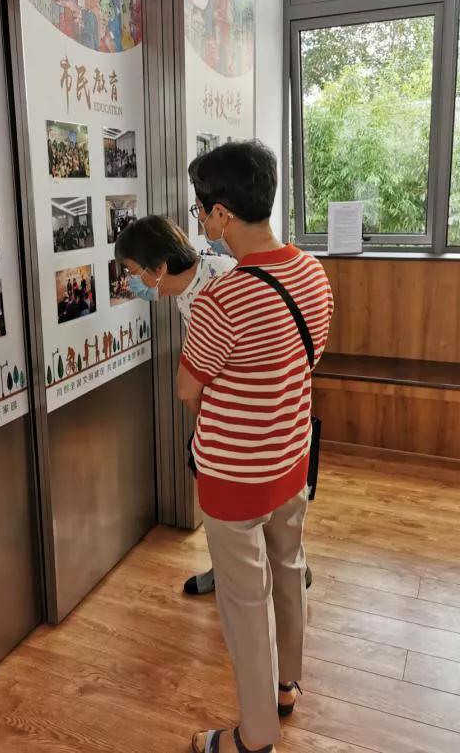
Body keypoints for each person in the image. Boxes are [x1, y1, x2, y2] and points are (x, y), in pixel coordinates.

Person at [177, 140, 333, 753]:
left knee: (245, 602)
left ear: (221, 214)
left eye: (200, 211)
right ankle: (287, 686)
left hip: (234, 476)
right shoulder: (312, 272)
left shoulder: (222, 299)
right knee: (289, 571)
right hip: (290, 458)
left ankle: (255, 736)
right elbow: (308, 359)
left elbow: (188, 388)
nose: (199, 222)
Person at [116, 215, 317, 599]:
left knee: (264, 503)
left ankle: (286, 564)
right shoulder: (182, 291)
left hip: (256, 416)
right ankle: (234, 566)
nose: (132, 282)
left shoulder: (223, 280)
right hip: (222, 413)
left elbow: (197, 382)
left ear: (159, 267)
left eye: (134, 271)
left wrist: (204, 403)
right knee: (224, 497)